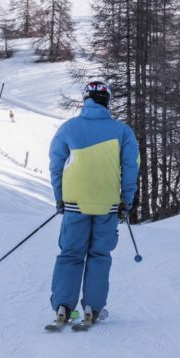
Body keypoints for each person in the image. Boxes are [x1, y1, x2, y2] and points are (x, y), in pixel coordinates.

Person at [49, 80, 140, 323]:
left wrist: (59, 198)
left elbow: (56, 166)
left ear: (85, 100)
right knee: (100, 255)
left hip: (74, 204)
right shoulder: (122, 131)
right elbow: (131, 167)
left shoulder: (69, 128)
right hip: (107, 204)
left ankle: (63, 307)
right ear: (107, 101)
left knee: (71, 253)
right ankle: (92, 308)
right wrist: (126, 201)